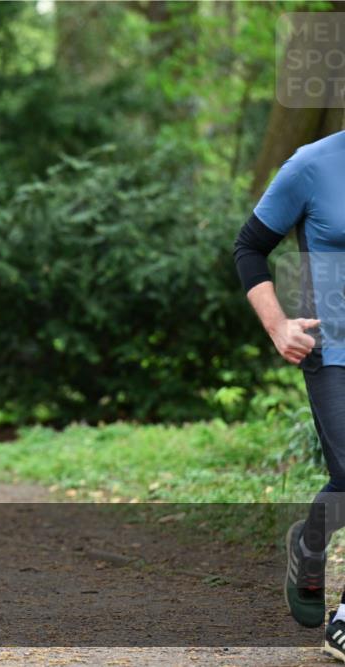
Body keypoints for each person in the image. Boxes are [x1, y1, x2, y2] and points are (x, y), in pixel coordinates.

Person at [233, 130, 344, 660]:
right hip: (333, 351)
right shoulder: (312, 165)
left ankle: (311, 545)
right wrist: (278, 327)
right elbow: (249, 247)